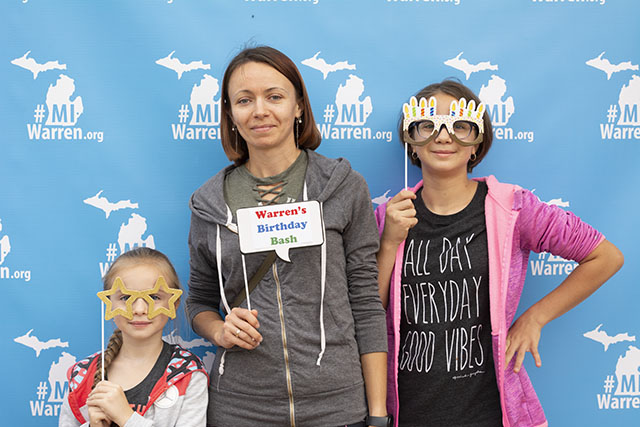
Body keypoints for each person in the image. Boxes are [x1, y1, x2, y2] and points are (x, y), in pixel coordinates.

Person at [376, 79, 623, 427]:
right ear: (411, 141)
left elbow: (605, 256)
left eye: (460, 125)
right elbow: (369, 313)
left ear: (477, 143)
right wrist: (388, 242)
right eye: (428, 125)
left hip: (489, 414)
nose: (443, 136)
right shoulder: (387, 217)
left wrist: (535, 317)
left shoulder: (513, 208)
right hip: (408, 413)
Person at [186, 46, 389, 427]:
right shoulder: (209, 204)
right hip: (242, 410)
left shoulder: (343, 187)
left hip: (336, 407)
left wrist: (378, 415)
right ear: (230, 115)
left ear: (298, 107)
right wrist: (219, 330)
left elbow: (365, 302)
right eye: (244, 100)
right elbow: (198, 301)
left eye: (274, 96)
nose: (259, 110)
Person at [59, 247, 208, 427]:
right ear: (109, 303)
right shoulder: (82, 376)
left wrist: (127, 418)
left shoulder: (187, 375)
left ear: (174, 303)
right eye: (125, 298)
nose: (139, 309)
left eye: (154, 297)